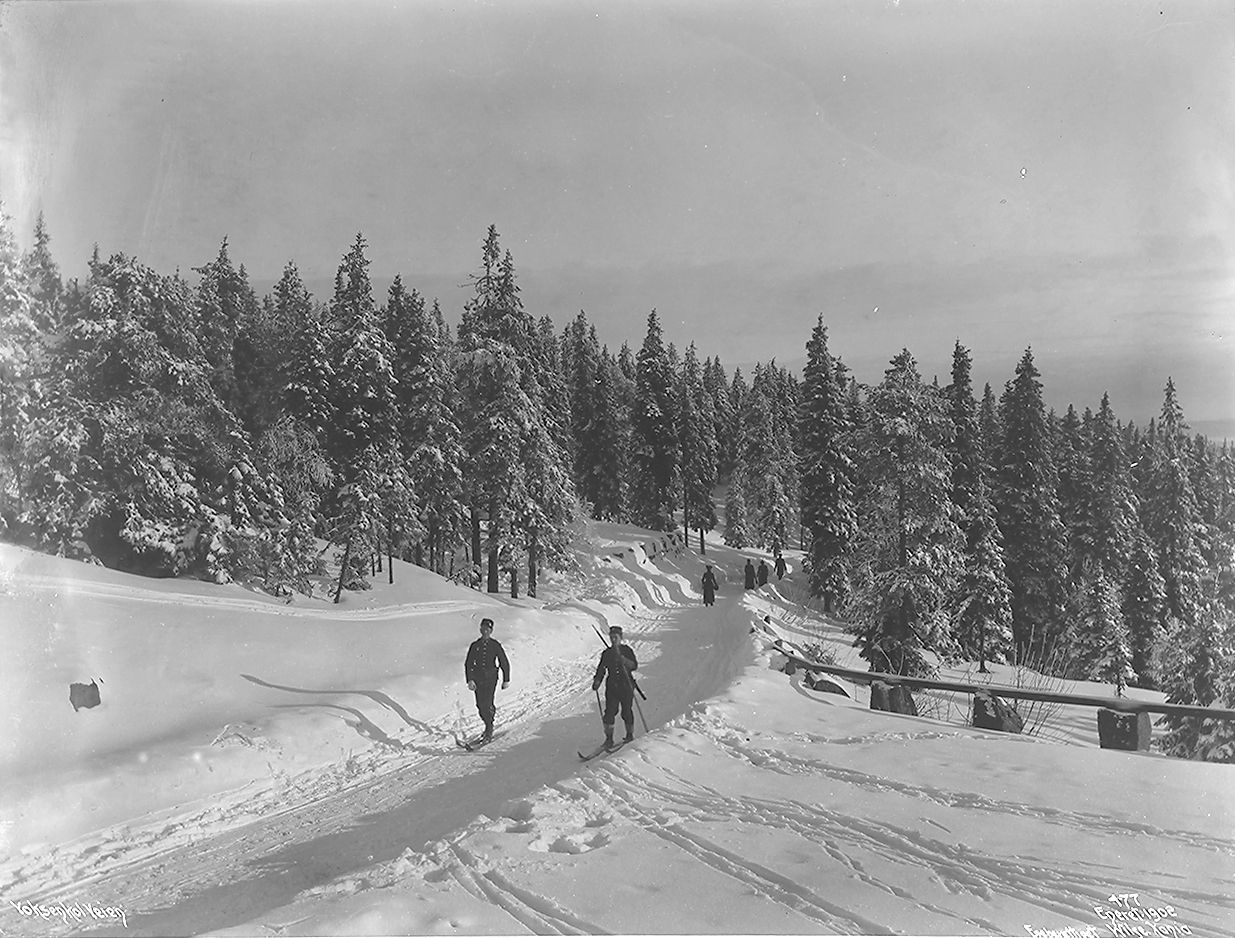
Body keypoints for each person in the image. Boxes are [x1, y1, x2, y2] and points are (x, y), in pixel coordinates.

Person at [592, 625, 638, 748]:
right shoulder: (607, 653)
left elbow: (634, 665)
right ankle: (609, 739)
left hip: (626, 685)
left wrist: (624, 660)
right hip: (612, 686)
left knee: (626, 711)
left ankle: (629, 735)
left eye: (616, 637)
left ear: (621, 637)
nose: (613, 640)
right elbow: (601, 669)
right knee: (609, 713)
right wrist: (597, 681)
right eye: (611, 637)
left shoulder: (627, 650)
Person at [465, 617, 510, 740]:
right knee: (479, 705)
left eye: (488, 629)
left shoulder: (495, 645)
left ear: (491, 630)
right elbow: (469, 663)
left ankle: (489, 728)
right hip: (478, 679)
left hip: (491, 678)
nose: (485, 631)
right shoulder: (475, 645)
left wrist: (506, 679)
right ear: (480, 629)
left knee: (487, 703)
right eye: (483, 628)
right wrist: (470, 679)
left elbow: (504, 662)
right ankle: (488, 723)